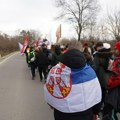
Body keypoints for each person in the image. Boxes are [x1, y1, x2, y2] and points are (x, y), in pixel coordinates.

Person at [44, 41, 102, 120]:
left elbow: (49, 91)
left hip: (61, 114)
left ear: (67, 50)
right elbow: (96, 95)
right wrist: (96, 112)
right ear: (81, 51)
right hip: (85, 114)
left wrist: (53, 104)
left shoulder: (54, 70)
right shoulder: (90, 72)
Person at [102, 41, 120, 120]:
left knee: (109, 110)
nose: (114, 50)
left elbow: (117, 77)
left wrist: (109, 84)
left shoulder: (118, 61)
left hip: (115, 89)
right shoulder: (115, 59)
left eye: (116, 49)